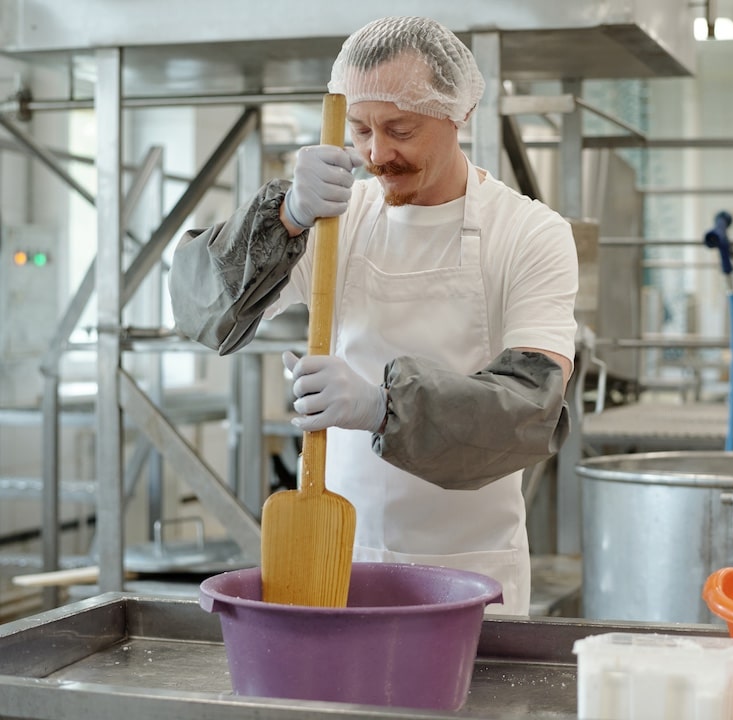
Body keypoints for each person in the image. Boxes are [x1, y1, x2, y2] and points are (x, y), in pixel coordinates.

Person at [167, 16, 579, 615]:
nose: (377, 154)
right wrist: (283, 216)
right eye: (359, 129)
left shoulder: (529, 233)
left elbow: (529, 413)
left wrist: (383, 407)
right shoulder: (337, 219)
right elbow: (195, 310)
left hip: (468, 577)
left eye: (401, 129)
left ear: (457, 114)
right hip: (337, 561)